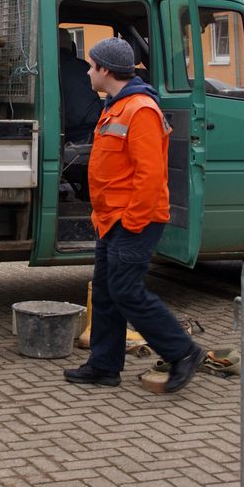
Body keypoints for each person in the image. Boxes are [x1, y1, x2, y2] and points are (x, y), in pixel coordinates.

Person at [63, 37, 205, 392]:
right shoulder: (116, 106)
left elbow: (150, 175)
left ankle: (183, 351)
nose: (88, 71)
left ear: (107, 70)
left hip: (133, 220)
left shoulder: (139, 109)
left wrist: (132, 221)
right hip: (112, 219)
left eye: (92, 66)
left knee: (126, 291)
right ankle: (104, 366)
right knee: (109, 292)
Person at [57, 28, 102, 145]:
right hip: (85, 137)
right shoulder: (84, 68)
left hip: (59, 136)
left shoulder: (45, 70)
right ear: (72, 47)